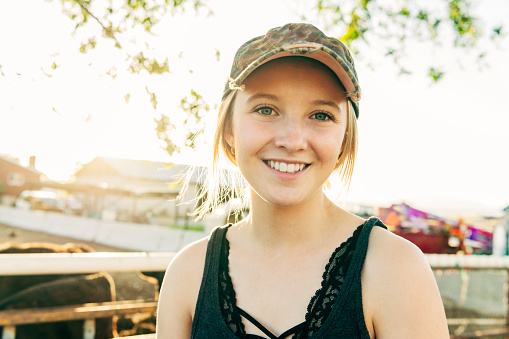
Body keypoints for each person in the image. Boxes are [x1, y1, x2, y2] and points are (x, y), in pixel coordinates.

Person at [156, 23, 449, 338]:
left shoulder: (396, 270)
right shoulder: (188, 274)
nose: (292, 140)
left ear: (344, 136)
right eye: (266, 109)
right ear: (229, 129)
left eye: (321, 115)